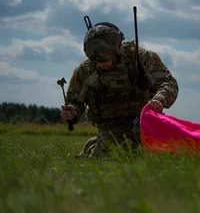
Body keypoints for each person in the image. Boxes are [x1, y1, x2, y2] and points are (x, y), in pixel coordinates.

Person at [60, 22, 179, 158]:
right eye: (97, 61)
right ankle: (93, 146)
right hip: (109, 128)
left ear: (116, 49)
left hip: (144, 122)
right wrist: (71, 112)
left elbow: (168, 82)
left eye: (105, 60)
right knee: (108, 160)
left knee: (159, 156)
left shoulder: (139, 58)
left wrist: (159, 99)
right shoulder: (85, 71)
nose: (101, 64)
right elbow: (75, 101)